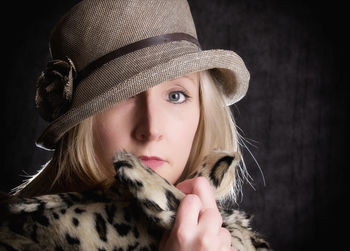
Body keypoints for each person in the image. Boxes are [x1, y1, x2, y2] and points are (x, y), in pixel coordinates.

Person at [13, 0, 251, 250]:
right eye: (121, 97)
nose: (151, 129)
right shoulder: (21, 238)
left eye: (175, 96)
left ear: (203, 111)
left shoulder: (230, 240)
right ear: (82, 122)